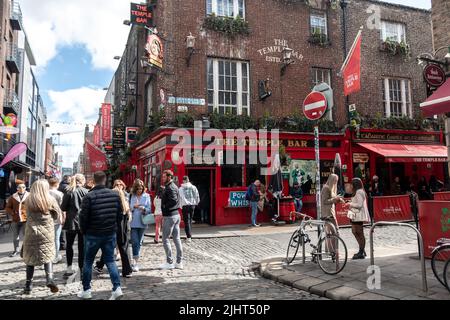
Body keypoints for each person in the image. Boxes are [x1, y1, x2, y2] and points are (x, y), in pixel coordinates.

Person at [78, 172, 124, 300]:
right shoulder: (115, 195)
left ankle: (86, 290)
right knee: (110, 261)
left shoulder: (89, 196)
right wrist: (113, 226)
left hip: (92, 234)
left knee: (88, 261)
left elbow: (83, 217)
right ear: (105, 180)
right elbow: (119, 215)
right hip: (109, 233)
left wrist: (84, 230)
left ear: (94, 180)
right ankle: (117, 288)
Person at [22, 180, 62, 294]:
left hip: (31, 232)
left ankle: (28, 285)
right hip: (47, 233)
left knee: (30, 259)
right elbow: (56, 214)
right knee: (48, 256)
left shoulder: (28, 200)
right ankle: (49, 279)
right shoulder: (50, 199)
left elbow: (26, 213)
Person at [95, 179, 133, 278]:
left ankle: (100, 265)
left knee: (108, 248)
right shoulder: (125, 204)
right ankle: (127, 270)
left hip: (112, 228)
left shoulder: (113, 203)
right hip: (123, 229)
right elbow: (128, 216)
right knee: (124, 248)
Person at [61, 174, 88, 279]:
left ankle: (69, 268)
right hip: (83, 222)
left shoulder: (69, 191)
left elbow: (63, 207)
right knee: (82, 247)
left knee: (69, 246)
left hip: (71, 221)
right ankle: (82, 269)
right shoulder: (86, 192)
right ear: (82, 181)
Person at [160, 170, 183, 270]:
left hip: (170, 216)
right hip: (175, 215)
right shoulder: (172, 186)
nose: (163, 178)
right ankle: (179, 262)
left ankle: (170, 262)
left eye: (164, 177)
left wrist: (165, 207)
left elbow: (173, 201)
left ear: (169, 177)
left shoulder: (170, 187)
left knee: (165, 239)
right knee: (176, 239)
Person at [344, 178, 371, 260]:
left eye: (352, 184)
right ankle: (362, 249)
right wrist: (350, 202)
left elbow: (359, 205)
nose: (351, 185)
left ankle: (361, 251)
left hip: (358, 215)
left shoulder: (359, 192)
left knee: (359, 232)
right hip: (355, 215)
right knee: (355, 231)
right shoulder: (357, 191)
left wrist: (350, 204)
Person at [129, 179, 151, 272]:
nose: (139, 190)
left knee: (140, 242)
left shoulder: (146, 196)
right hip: (133, 222)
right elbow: (128, 207)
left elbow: (149, 209)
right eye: (138, 188)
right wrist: (134, 207)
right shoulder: (132, 196)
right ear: (135, 189)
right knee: (135, 241)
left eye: (141, 188)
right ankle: (135, 261)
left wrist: (144, 209)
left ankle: (136, 260)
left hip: (142, 222)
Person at [5, 182, 29, 257]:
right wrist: (12, 213)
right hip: (16, 219)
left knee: (26, 236)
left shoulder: (29, 196)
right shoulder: (13, 197)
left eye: (23, 187)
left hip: (26, 219)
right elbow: (8, 207)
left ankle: (25, 250)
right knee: (15, 236)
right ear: (17, 189)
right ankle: (16, 250)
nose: (21, 189)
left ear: (25, 188)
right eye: (19, 187)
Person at [48, 178, 65, 264]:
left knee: (47, 238)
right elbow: (63, 208)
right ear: (57, 184)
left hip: (47, 218)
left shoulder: (44, 193)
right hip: (57, 218)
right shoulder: (59, 194)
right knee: (56, 238)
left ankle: (47, 255)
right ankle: (55, 256)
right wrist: (64, 217)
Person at [179, 176, 200, 243]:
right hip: (192, 205)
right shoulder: (194, 187)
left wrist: (180, 206)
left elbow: (179, 198)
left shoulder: (181, 189)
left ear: (183, 181)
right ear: (188, 180)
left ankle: (188, 236)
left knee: (186, 221)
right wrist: (196, 203)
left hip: (185, 206)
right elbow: (197, 196)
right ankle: (189, 234)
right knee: (190, 220)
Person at [58, 175, 71, 251]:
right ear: (67, 179)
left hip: (58, 208)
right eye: (70, 179)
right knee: (62, 226)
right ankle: (62, 244)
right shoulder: (67, 187)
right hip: (64, 208)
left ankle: (60, 243)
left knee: (59, 226)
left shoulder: (60, 185)